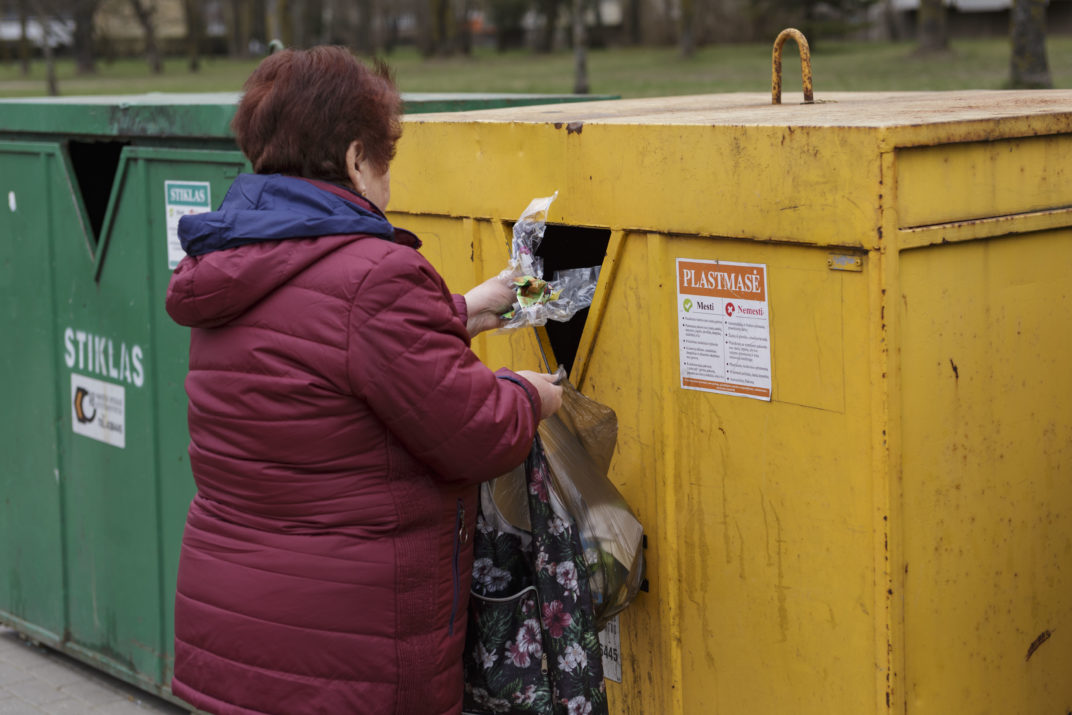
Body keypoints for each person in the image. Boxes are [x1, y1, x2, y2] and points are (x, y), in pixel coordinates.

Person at [164, 46, 562, 715]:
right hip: (348, 649)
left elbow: (319, 356)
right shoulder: (374, 274)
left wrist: (459, 311)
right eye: (387, 162)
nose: (389, 186)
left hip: (241, 629)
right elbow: (476, 435)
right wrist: (529, 393)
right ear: (355, 160)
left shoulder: (234, 260)